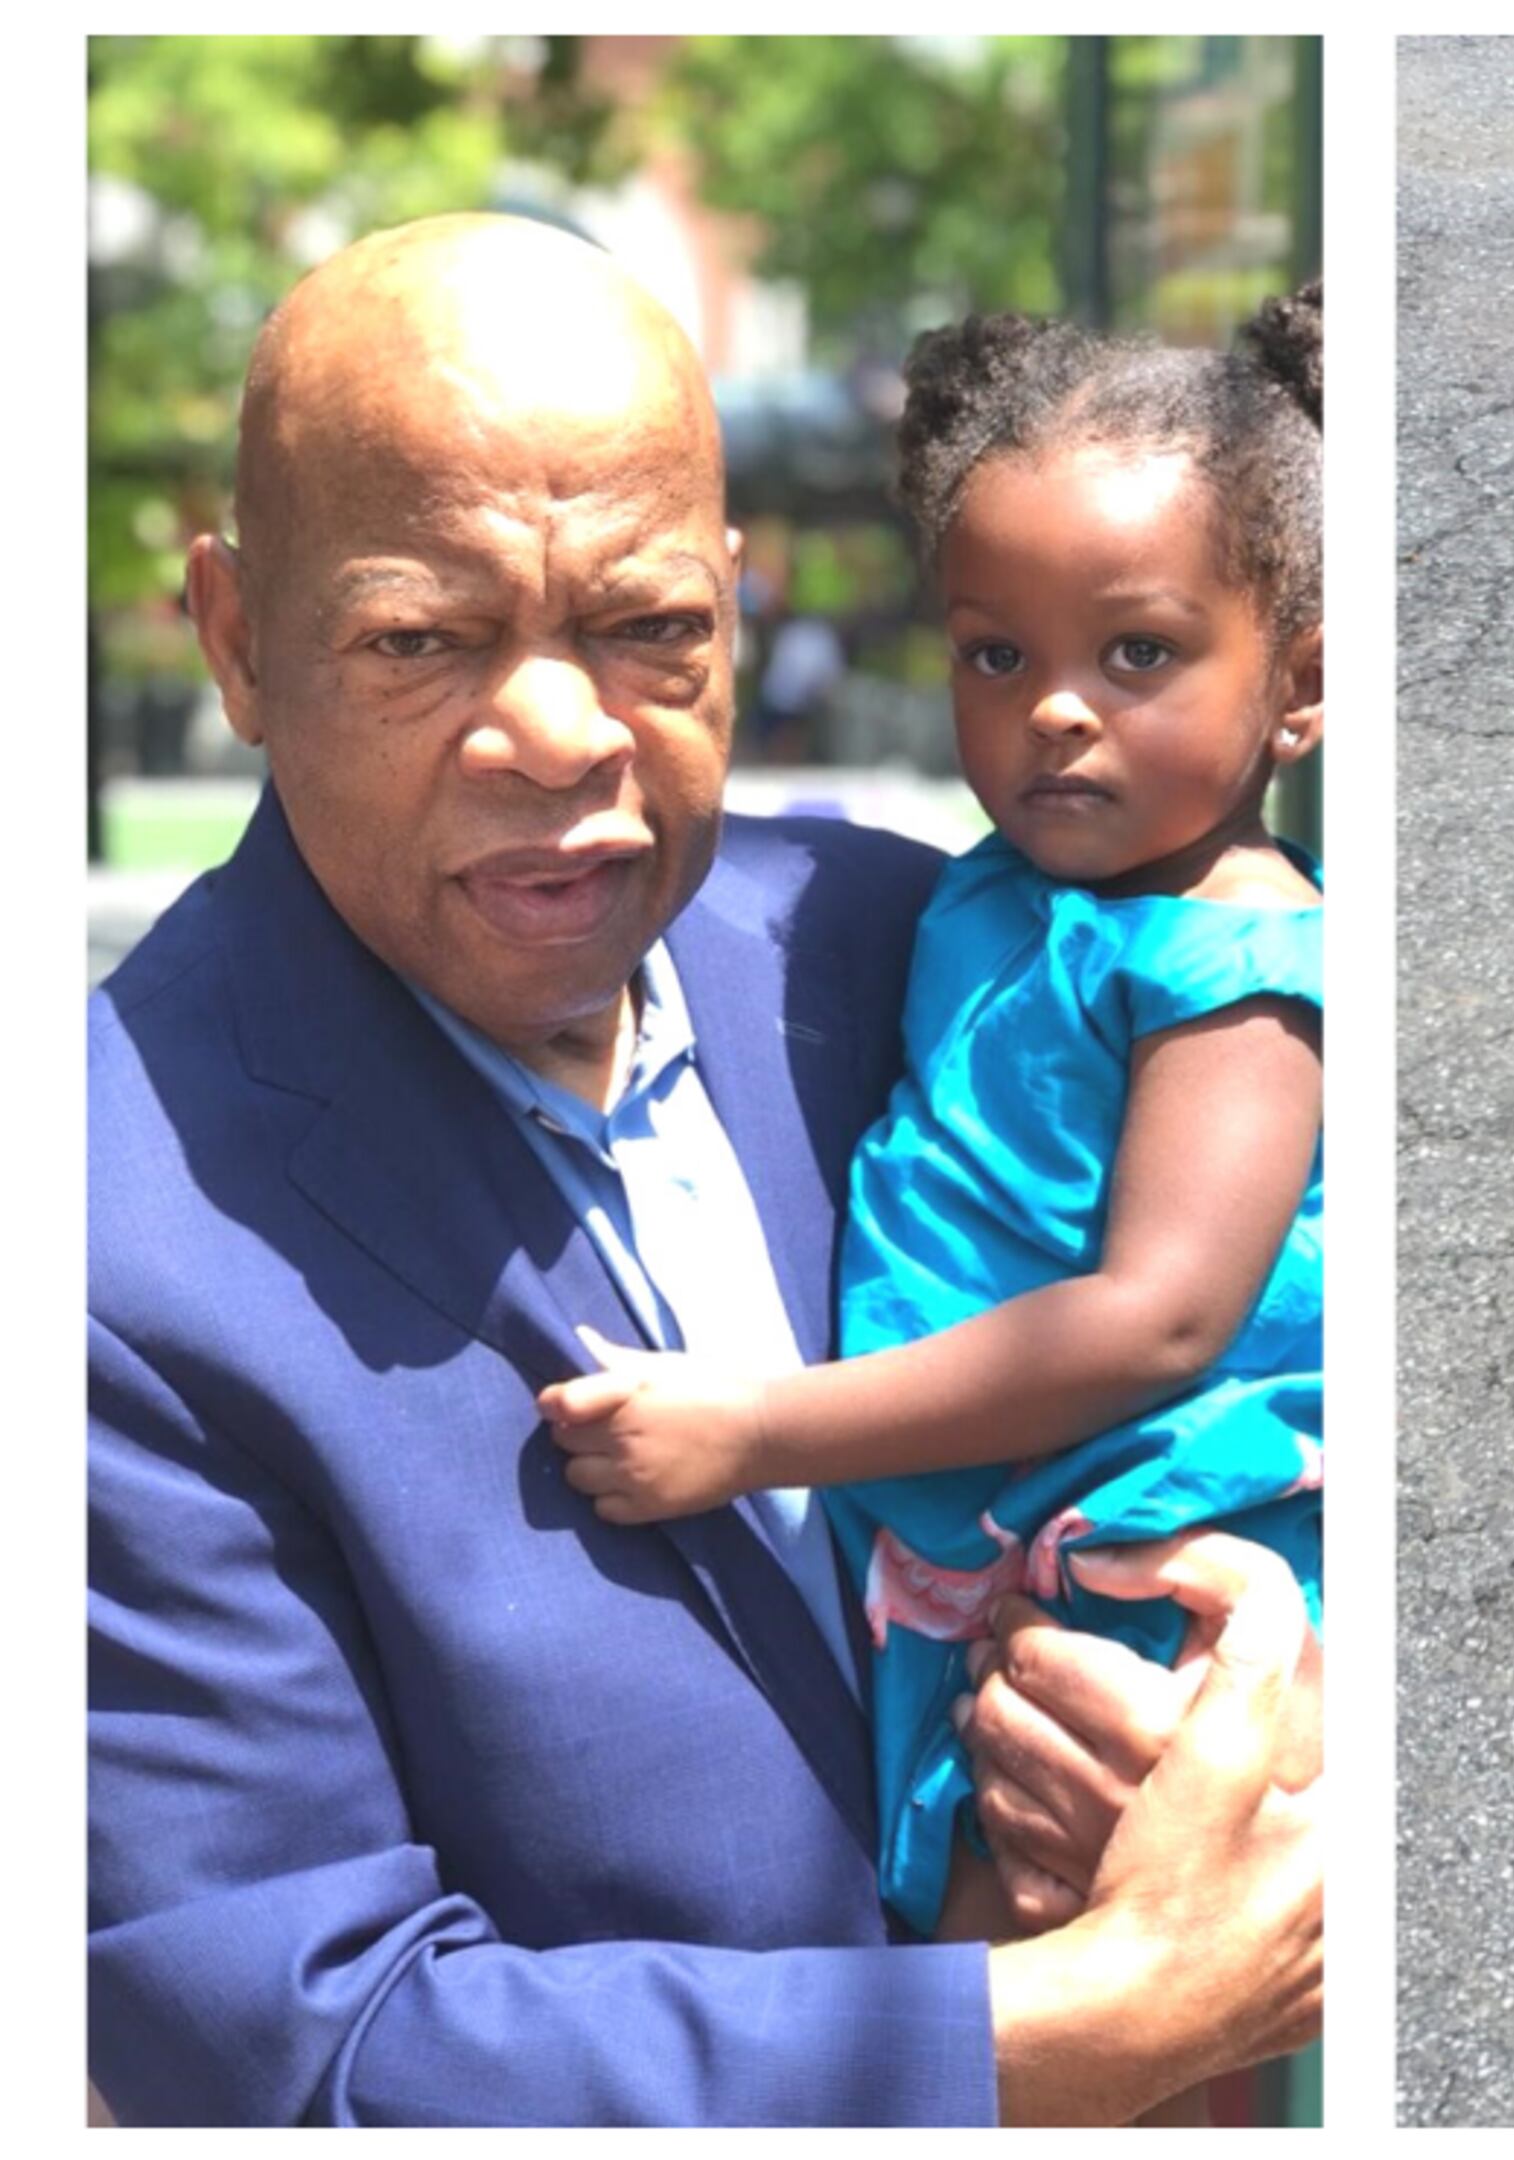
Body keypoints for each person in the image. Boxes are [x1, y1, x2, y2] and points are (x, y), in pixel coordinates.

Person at [87, 214, 1316, 2126]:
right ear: (239, 643)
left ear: (733, 602)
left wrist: (1278, 1750)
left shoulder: (907, 947)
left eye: (648, 627)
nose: (566, 732)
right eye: (424, 639)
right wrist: (1080, 2023)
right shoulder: (102, 1246)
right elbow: (301, 2050)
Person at [536, 295, 1331, 1948]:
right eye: (997, 654)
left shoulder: (1237, 957)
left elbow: (1156, 1319)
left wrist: (760, 1432)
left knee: (1070, 1942)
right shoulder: (995, 893)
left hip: (1138, 1548)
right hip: (979, 1549)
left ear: (1300, 685)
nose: (1054, 707)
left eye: (1140, 654)